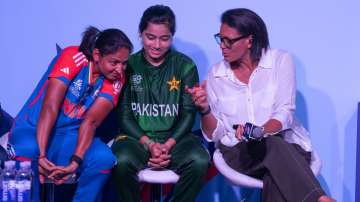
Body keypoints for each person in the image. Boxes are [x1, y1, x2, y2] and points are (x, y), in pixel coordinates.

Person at [187, 8, 335, 202]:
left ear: (249, 40)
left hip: (288, 147)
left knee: (274, 162)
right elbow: (214, 134)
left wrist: (259, 131)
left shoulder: (280, 61)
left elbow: (285, 113)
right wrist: (204, 109)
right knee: (274, 151)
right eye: (220, 39)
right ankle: (320, 199)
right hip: (240, 153)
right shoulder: (216, 75)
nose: (222, 46)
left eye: (228, 41)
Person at [8, 26, 133, 201]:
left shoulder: (117, 78)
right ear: (97, 55)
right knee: (28, 151)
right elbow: (50, 106)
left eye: (124, 63)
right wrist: (41, 156)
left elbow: (91, 122)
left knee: (103, 159)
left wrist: (76, 161)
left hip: (70, 136)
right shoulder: (73, 56)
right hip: (33, 129)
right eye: (114, 62)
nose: (120, 69)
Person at [111, 5, 209, 202]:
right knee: (120, 162)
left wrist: (167, 145)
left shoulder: (185, 65)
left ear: (172, 37)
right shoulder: (128, 64)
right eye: (150, 37)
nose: (156, 45)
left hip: (176, 139)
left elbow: (188, 114)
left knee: (200, 161)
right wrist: (149, 144)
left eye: (164, 38)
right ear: (140, 34)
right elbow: (124, 116)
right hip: (136, 139)